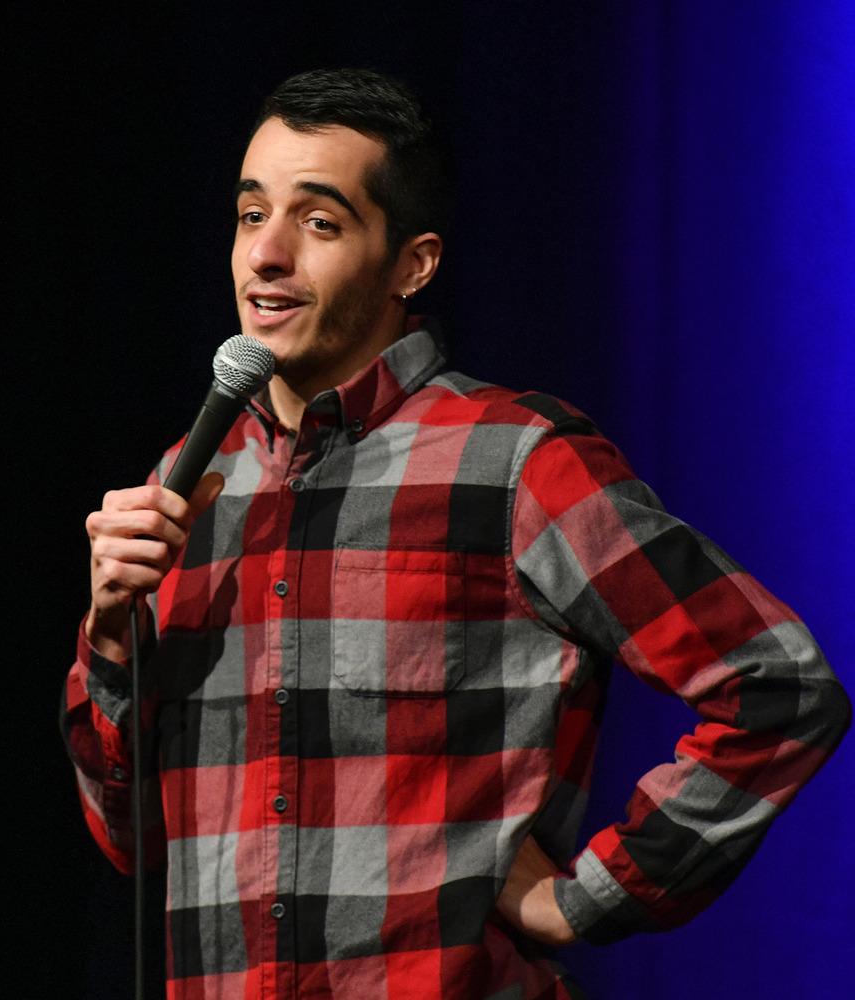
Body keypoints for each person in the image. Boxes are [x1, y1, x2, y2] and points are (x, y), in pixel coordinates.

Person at [61, 68, 850, 999]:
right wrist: (111, 640)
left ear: (413, 265)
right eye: (250, 215)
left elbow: (778, 686)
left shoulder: (516, 463)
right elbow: (133, 841)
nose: (265, 254)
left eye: (319, 222)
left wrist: (590, 897)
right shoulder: (187, 488)